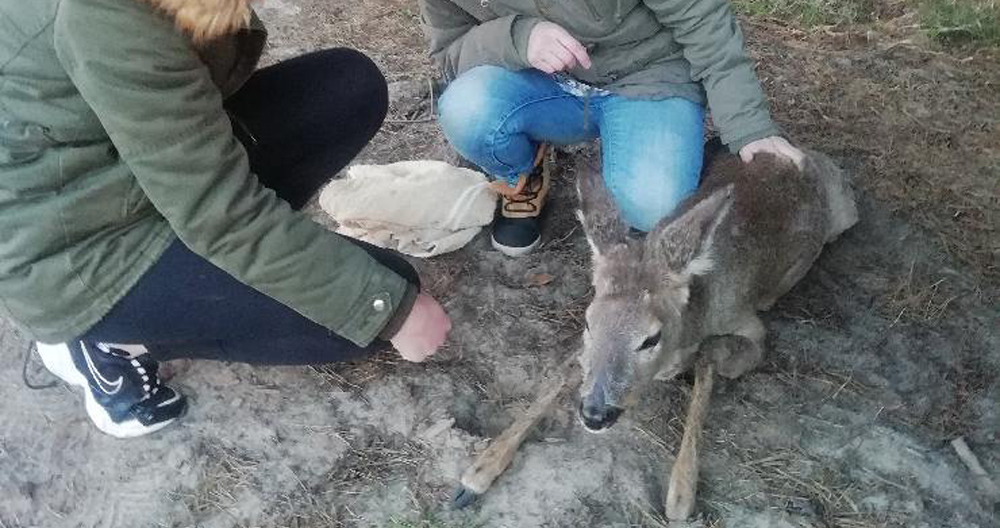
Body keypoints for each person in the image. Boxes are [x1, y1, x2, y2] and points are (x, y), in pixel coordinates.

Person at [0, 0, 452, 438]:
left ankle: (213, 275)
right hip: (73, 253)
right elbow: (219, 213)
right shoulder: (102, 16)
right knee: (374, 304)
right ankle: (104, 342)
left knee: (347, 87)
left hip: (123, 175)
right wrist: (390, 311)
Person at [419, 0, 806, 256]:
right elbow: (451, 51)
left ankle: (659, 146)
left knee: (653, 207)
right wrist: (520, 38)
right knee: (467, 109)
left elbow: (702, 19)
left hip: (646, 73)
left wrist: (749, 125)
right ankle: (524, 170)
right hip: (542, 82)